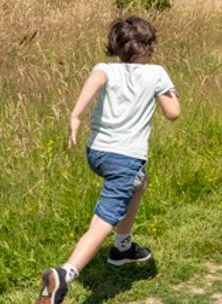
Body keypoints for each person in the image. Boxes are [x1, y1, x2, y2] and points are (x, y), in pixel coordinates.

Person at [38, 16, 181, 304]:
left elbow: (95, 80)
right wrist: (169, 92)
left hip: (97, 153)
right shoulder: (156, 73)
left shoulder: (105, 68)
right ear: (149, 46)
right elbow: (173, 113)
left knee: (139, 183)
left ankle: (122, 248)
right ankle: (65, 274)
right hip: (125, 157)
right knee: (106, 218)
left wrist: (76, 115)